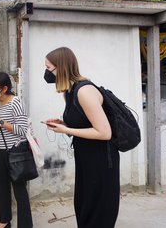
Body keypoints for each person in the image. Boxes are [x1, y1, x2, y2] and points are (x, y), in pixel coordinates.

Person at [42, 47, 119, 228]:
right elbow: (84, 124)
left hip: (101, 159)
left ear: (61, 68)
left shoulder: (84, 91)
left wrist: (65, 130)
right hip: (85, 157)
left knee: (97, 212)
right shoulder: (68, 91)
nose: (46, 73)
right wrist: (63, 124)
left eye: (49, 68)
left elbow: (104, 132)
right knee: (83, 207)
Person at [0, 72, 33, 228]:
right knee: (2, 187)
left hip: (15, 151)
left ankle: (25, 225)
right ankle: (4, 221)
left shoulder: (15, 102)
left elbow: (22, 130)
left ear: (4, 88)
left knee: (19, 190)